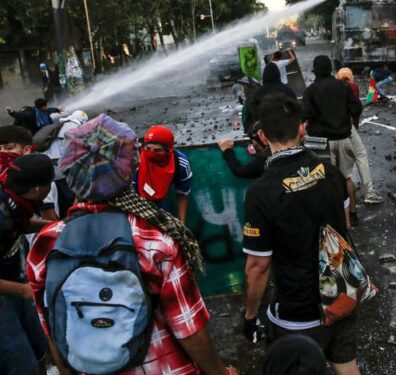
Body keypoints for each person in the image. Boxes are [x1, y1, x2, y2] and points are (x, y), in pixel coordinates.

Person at [27, 114, 238, 374]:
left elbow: (54, 332)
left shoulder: (45, 245)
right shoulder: (155, 241)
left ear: (71, 174)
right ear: (129, 169)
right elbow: (188, 327)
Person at [243, 93, 360, 375]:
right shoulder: (330, 171)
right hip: (341, 296)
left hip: (296, 315)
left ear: (261, 134)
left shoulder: (260, 192)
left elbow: (258, 267)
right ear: (302, 128)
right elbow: (343, 230)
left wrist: (249, 316)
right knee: (347, 366)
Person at [0, 153, 54, 374]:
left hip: (15, 278)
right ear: (36, 190)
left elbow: (20, 224)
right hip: (8, 291)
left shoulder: (12, 202)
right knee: (19, 361)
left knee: (38, 345)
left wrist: (52, 227)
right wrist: (22, 290)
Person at [302, 55, 363, 226]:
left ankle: (332, 218)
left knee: (325, 180)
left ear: (315, 71)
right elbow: (357, 108)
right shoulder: (342, 87)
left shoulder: (311, 91)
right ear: (330, 69)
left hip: (322, 143)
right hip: (343, 139)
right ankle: (352, 214)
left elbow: (304, 115)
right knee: (346, 178)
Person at [220, 63, 298, 179]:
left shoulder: (257, 93)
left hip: (266, 135)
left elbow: (247, 115)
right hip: (287, 136)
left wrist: (228, 150)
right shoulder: (288, 91)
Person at [335, 67, 385, 205]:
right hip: (348, 127)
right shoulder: (352, 87)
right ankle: (369, 192)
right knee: (361, 156)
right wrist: (355, 127)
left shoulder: (332, 87)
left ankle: (340, 196)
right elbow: (355, 110)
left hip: (333, 130)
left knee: (339, 164)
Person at [134, 126, 192, 223]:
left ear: (169, 150)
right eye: (147, 148)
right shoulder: (134, 157)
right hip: (131, 200)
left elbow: (183, 195)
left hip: (158, 204)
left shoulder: (180, 164)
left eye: (157, 150)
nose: (151, 154)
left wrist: (182, 224)